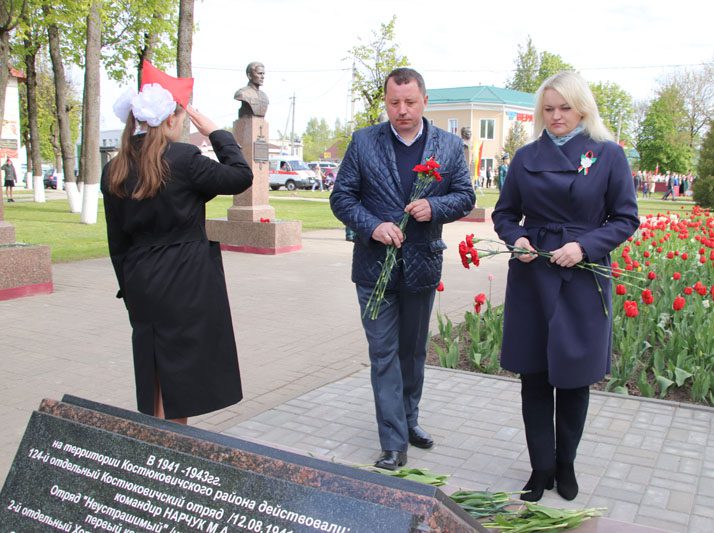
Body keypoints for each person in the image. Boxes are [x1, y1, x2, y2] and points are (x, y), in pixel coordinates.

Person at [492, 71, 639, 502]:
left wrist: (585, 246)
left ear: (582, 109)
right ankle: (541, 467)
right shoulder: (524, 157)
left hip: (581, 278)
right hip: (533, 274)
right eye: (549, 109)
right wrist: (515, 238)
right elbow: (504, 214)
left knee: (573, 377)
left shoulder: (609, 155)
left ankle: (567, 464)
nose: (556, 117)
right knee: (534, 375)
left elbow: (626, 218)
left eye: (565, 108)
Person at [330, 68, 475, 470]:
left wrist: (436, 207)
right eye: (394, 103)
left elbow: (465, 196)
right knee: (383, 353)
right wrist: (372, 226)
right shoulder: (363, 142)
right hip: (373, 269)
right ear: (386, 102)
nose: (402, 110)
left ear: (425, 100)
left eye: (410, 102)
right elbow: (341, 198)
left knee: (413, 352)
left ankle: (409, 420)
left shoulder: (446, 147)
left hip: (420, 266)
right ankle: (392, 442)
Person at [101, 61, 253, 424]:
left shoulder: (115, 168)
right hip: (184, 279)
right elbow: (240, 175)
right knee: (181, 378)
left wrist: (130, 290)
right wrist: (217, 132)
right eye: (181, 117)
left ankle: (159, 442)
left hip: (142, 280)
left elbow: (116, 241)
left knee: (154, 370)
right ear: (169, 119)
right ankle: (171, 454)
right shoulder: (183, 159)